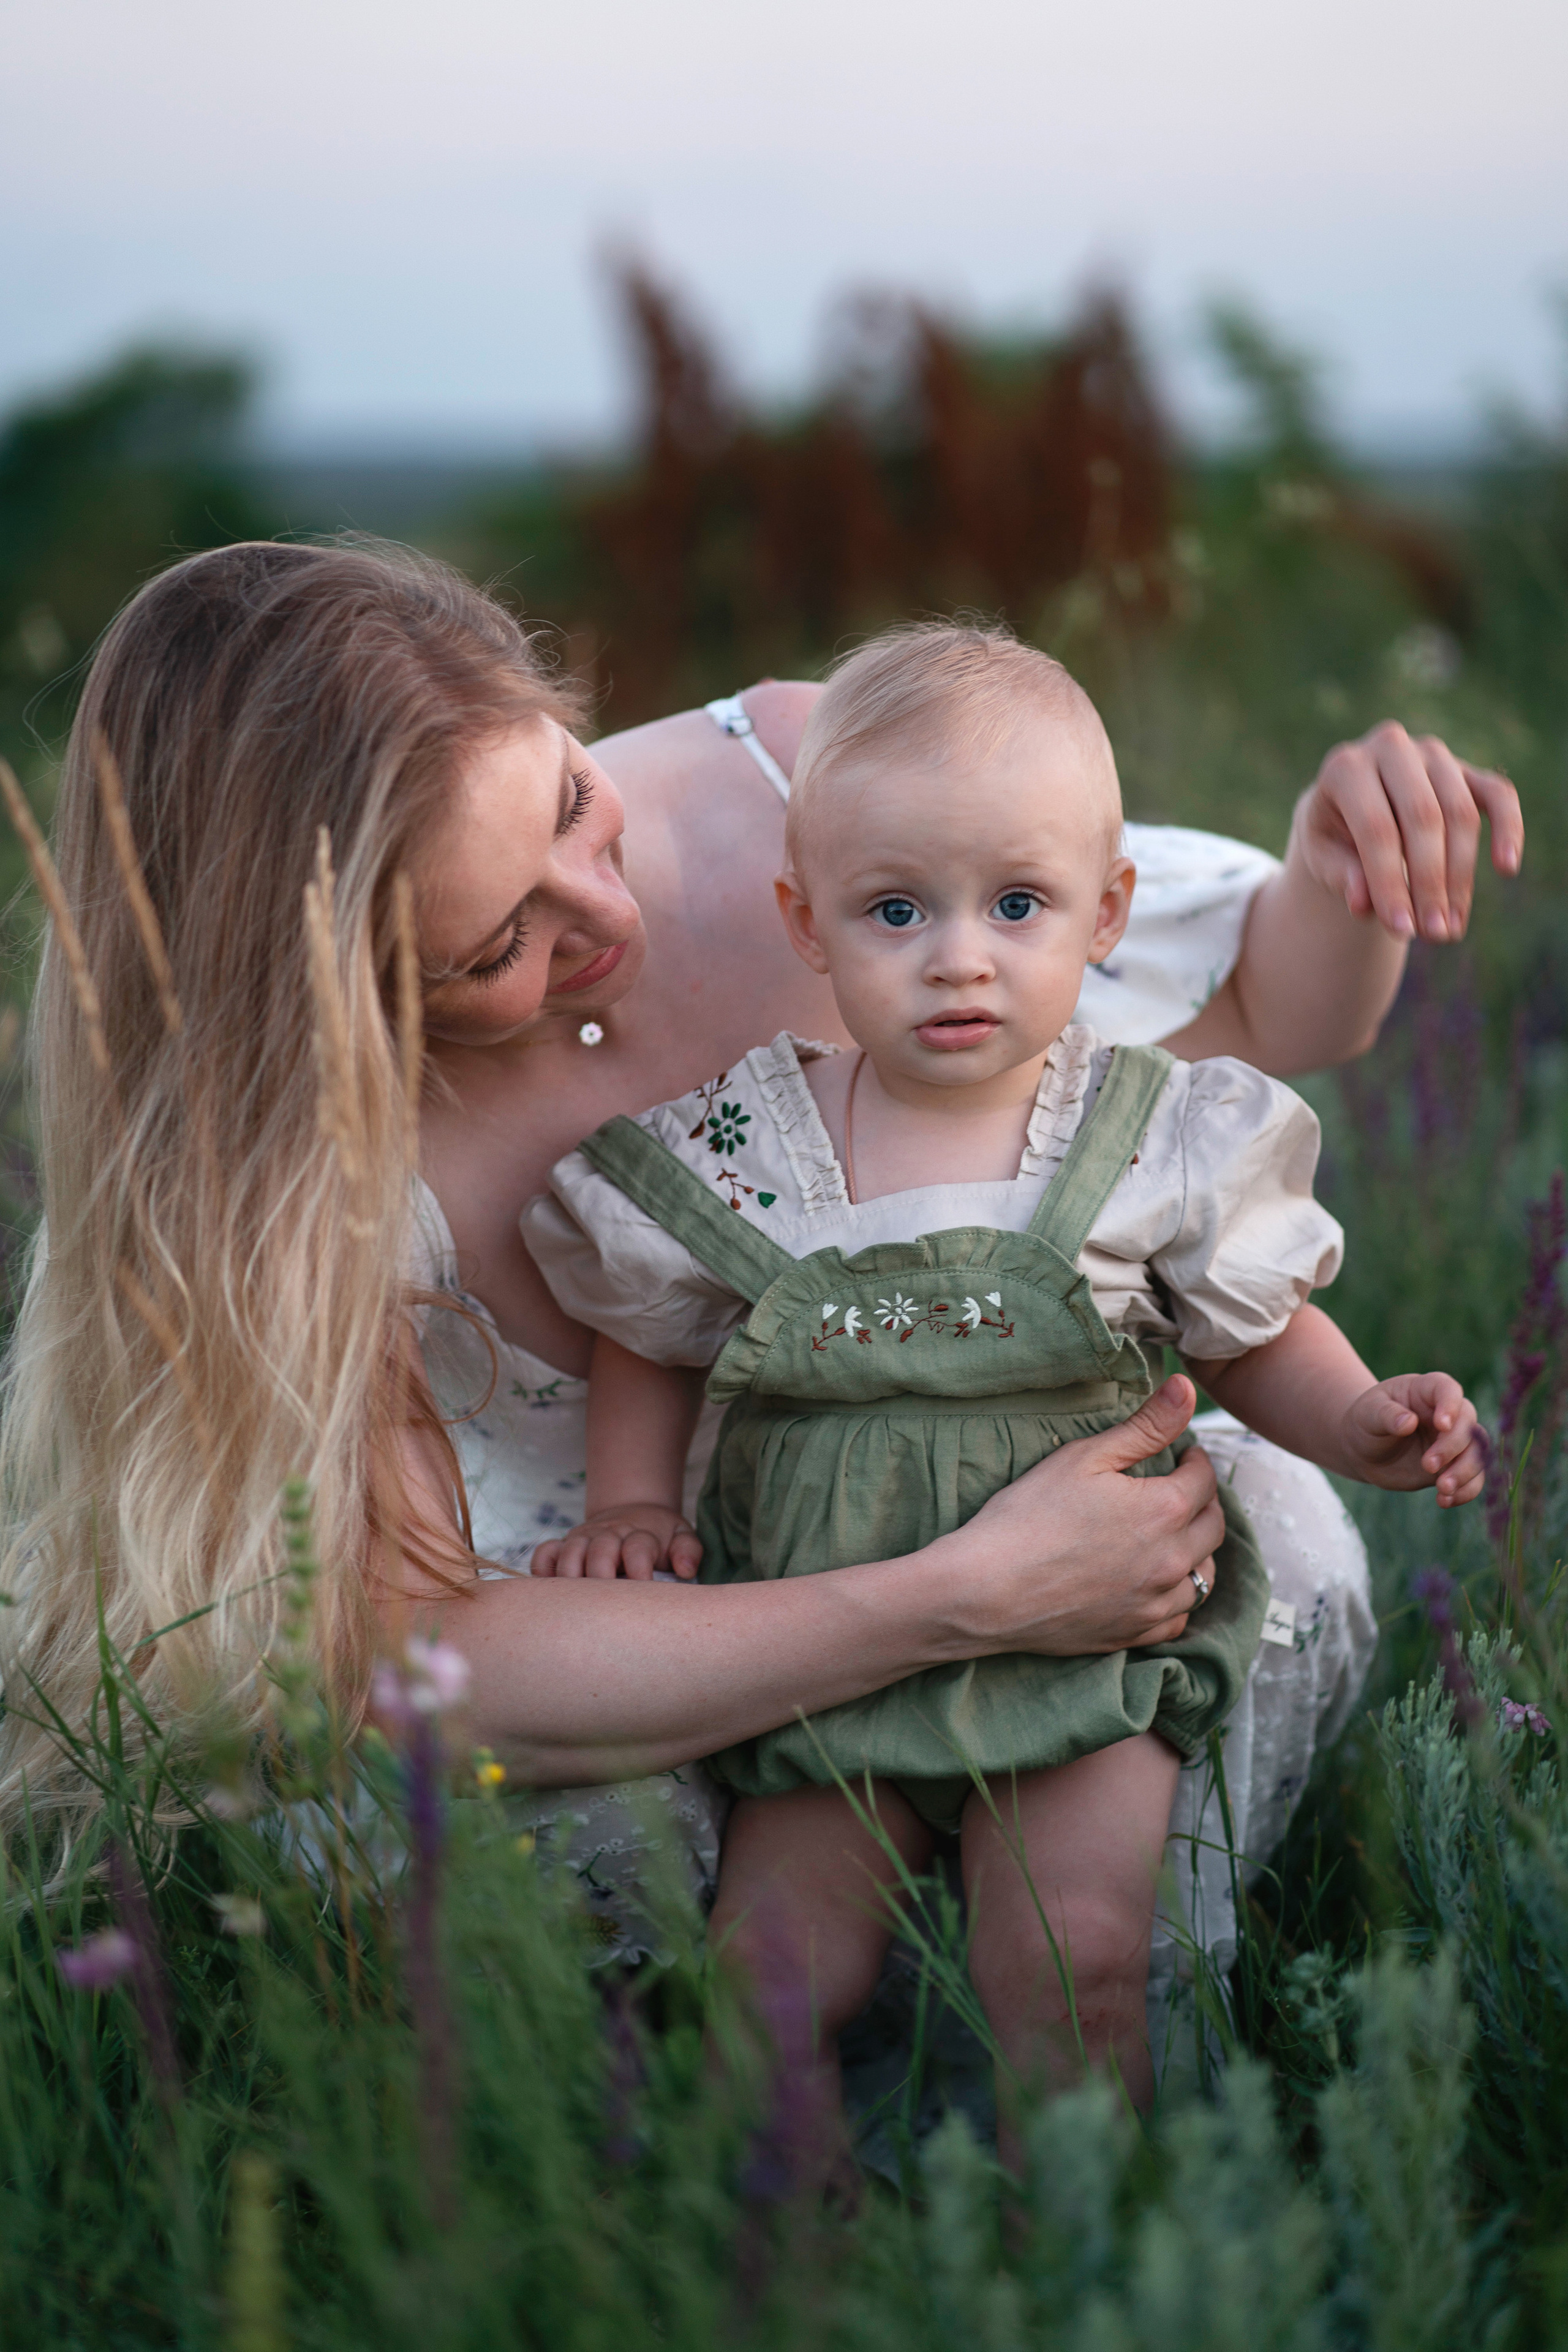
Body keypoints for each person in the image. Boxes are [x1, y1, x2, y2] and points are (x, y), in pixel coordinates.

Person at [0, 544, 1518, 2029]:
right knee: (544, 1821)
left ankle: (1072, 2044)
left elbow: (1256, 1008)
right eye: (490, 950)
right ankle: (743, 2144)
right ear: (324, 987)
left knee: (1276, 1538)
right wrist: (949, 1597)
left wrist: (1347, 870)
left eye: (573, 810)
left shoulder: (806, 783)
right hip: (651, 1633)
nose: (601, 922)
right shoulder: (295, 1173)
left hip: (1024, 1491)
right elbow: (403, 1655)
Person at [522, 624, 1485, 2136]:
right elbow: (651, 1322)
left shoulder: (1140, 1128)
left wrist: (1358, 1417)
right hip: (833, 1643)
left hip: (1082, 1642)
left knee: (1071, 1958)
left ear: (1105, 913)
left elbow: (1244, 1330)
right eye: (893, 909)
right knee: (774, 1975)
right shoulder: (756, 1145)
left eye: (1016, 904)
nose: (957, 955)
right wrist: (635, 1499)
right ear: (806, 920)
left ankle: (1075, 2229)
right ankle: (788, 2241)